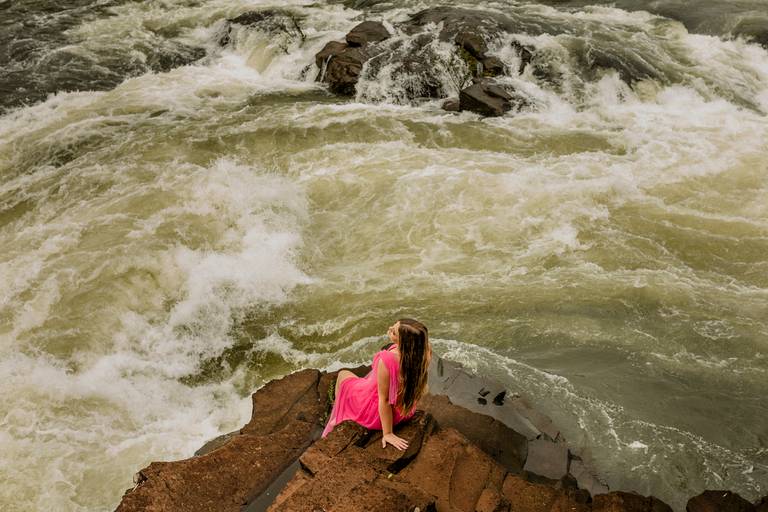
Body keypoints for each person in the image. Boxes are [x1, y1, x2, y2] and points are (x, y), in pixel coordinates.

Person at [321, 318, 432, 450]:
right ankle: (343, 409)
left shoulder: (387, 359)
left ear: (403, 341)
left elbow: (384, 400)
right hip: (404, 410)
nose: (390, 328)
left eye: (394, 332)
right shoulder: (423, 352)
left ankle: (341, 412)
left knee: (343, 375)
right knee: (361, 381)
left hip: (376, 415)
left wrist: (388, 433)